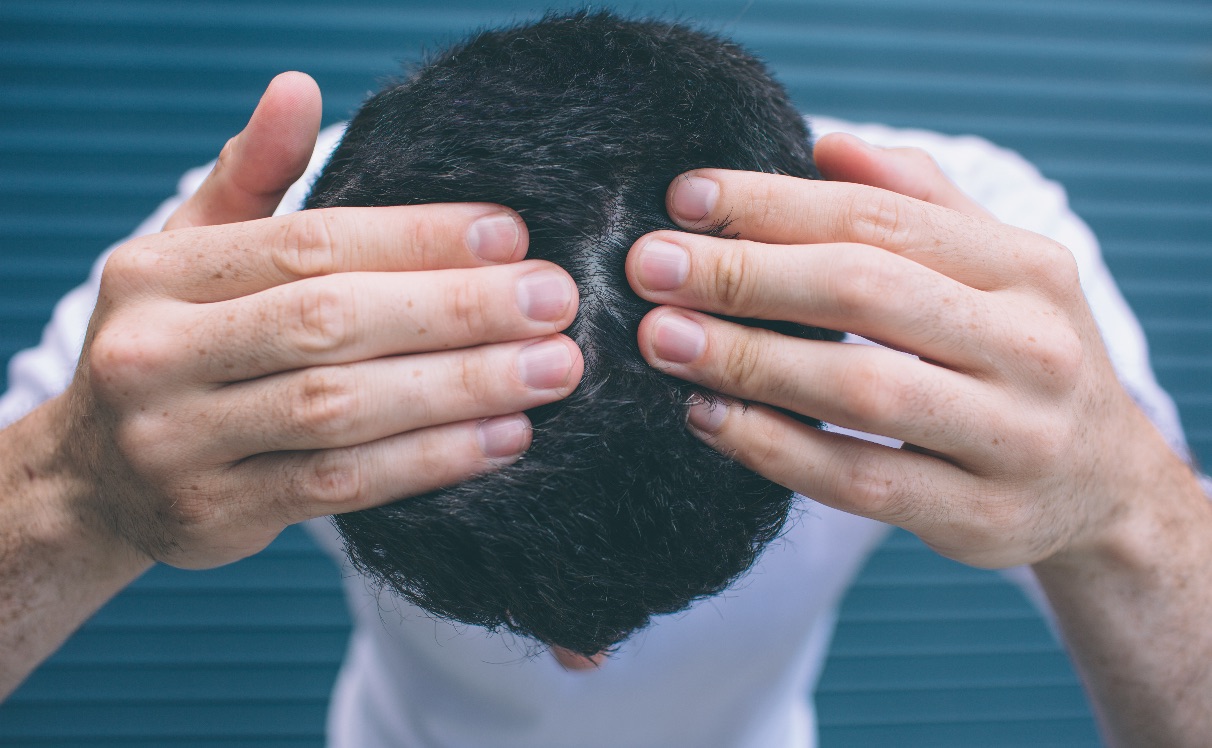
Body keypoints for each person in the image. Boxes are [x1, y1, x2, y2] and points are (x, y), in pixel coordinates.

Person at [1, 13, 1209, 747]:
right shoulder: (253, 289)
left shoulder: (985, 284)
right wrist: (72, 486)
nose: (586, 658)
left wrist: (1126, 510)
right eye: (529, 617)